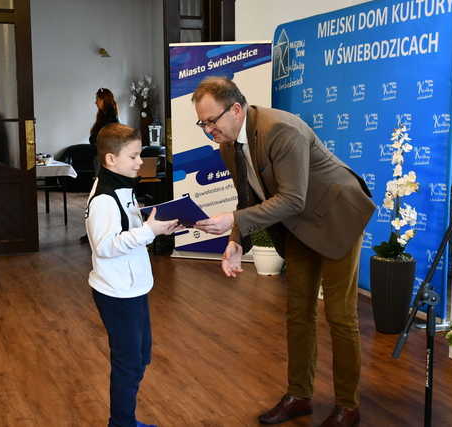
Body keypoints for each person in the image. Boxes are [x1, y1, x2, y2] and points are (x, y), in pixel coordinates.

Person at [192, 77, 376, 427]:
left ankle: (348, 407)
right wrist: (234, 242)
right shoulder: (229, 145)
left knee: (340, 316)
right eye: (202, 123)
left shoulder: (281, 130)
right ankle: (299, 395)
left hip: (337, 216)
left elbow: (292, 198)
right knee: (298, 312)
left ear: (235, 109)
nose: (208, 130)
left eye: (211, 121)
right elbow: (248, 197)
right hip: (300, 224)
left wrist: (232, 219)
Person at [85, 123, 180, 427]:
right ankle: (122, 423)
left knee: (140, 357)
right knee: (128, 363)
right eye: (134, 156)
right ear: (111, 160)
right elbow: (105, 247)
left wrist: (154, 226)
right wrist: (147, 232)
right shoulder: (103, 199)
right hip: (116, 293)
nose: (141, 161)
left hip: (134, 287)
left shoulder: (124, 189)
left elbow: (131, 231)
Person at [81, 88, 120, 244]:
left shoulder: (109, 121)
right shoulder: (104, 118)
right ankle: (95, 231)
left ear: (104, 100)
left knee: (100, 195)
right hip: (100, 159)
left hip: (104, 160)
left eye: (97, 99)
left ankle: (100, 231)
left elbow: (100, 141)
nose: (95, 102)